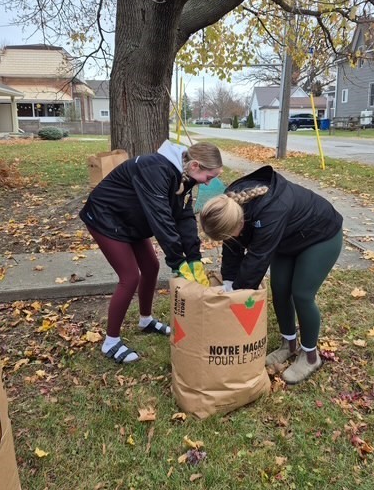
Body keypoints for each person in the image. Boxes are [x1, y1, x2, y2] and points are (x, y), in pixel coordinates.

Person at [80, 140, 223, 364]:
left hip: (132, 219)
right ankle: (111, 341)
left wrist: (194, 258)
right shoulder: (155, 170)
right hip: (105, 216)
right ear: (195, 165)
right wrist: (177, 261)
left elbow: (184, 217)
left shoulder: (184, 178)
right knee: (129, 277)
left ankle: (145, 320)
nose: (208, 183)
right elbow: (161, 219)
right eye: (210, 177)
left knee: (151, 267)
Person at [200, 165, 343, 384]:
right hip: (287, 238)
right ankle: (289, 343)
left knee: (302, 294)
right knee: (280, 288)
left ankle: (310, 355)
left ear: (240, 222)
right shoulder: (229, 206)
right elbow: (232, 246)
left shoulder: (271, 211)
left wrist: (236, 294)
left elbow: (257, 258)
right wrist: (228, 282)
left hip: (320, 235)